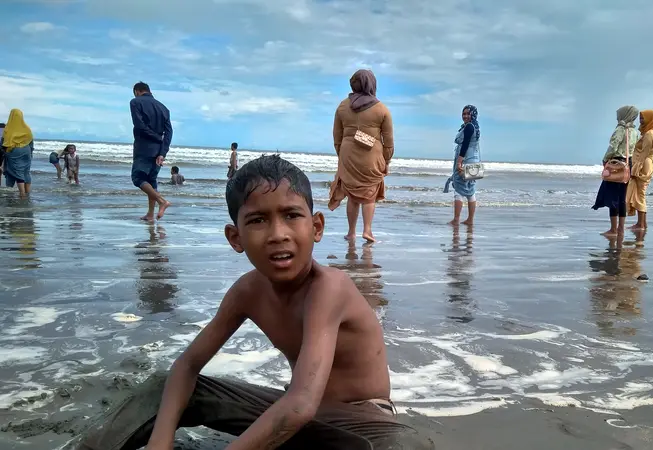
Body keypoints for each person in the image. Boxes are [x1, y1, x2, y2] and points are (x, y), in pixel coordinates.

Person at [69, 155, 432, 450]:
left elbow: (302, 404)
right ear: (235, 237)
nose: (278, 234)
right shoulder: (247, 292)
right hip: (294, 417)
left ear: (316, 227)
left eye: (292, 215)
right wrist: (161, 443)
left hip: (359, 424)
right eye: (258, 220)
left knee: (408, 445)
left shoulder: (329, 288)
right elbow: (187, 365)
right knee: (164, 386)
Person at [329, 69, 394, 243]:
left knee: (352, 195)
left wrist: (341, 155)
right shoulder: (382, 109)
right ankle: (367, 231)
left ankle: (351, 232)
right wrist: (386, 160)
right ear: (372, 84)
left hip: (348, 153)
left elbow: (337, 135)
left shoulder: (343, 106)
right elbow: (388, 140)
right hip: (371, 155)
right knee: (369, 194)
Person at [592, 105, 640, 237]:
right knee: (622, 197)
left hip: (616, 163)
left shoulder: (620, 129)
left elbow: (613, 146)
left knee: (612, 197)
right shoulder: (634, 132)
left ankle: (613, 229)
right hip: (628, 164)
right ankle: (621, 229)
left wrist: (605, 159)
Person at [130, 81, 173, 221]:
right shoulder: (164, 108)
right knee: (151, 180)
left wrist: (156, 138)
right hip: (158, 150)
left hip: (144, 147)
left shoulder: (136, 102)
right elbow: (169, 133)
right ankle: (150, 214)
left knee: (138, 178)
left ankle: (162, 201)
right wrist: (163, 152)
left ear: (137, 91)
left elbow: (139, 125)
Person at [444, 105, 481, 226]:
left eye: (467, 114)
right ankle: (470, 220)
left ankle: (456, 219)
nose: (465, 116)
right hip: (474, 162)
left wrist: (459, 162)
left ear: (473, 115)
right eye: (463, 113)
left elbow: (465, 145)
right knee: (471, 190)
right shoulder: (474, 126)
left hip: (465, 161)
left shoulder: (469, 127)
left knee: (458, 190)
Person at [627, 109, 653, 230]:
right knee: (640, 193)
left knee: (640, 194)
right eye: (640, 118)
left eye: (643, 118)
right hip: (648, 163)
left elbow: (644, 153)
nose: (641, 120)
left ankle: (640, 224)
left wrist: (635, 169)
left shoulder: (649, 134)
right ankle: (642, 223)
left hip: (643, 164)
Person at [1, 109, 35, 197]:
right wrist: (30, 153)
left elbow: (3, 143)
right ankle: (27, 192)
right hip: (26, 151)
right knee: (25, 171)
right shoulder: (27, 129)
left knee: (15, 170)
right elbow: (31, 142)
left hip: (13, 151)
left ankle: (21, 193)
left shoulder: (8, 128)